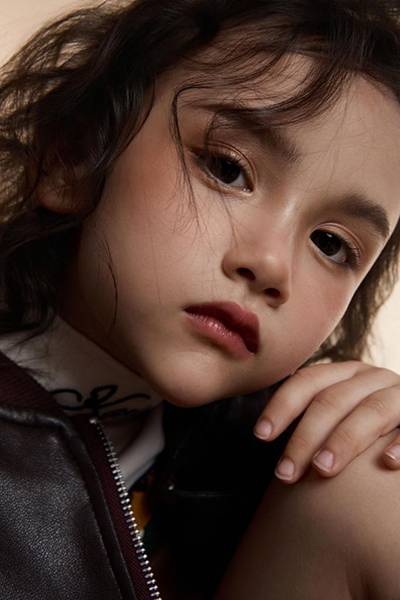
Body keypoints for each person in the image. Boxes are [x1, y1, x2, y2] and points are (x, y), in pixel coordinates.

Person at [1, 0, 400, 598]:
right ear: (72, 160)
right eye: (227, 169)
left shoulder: (305, 474)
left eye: (331, 244)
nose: (271, 265)